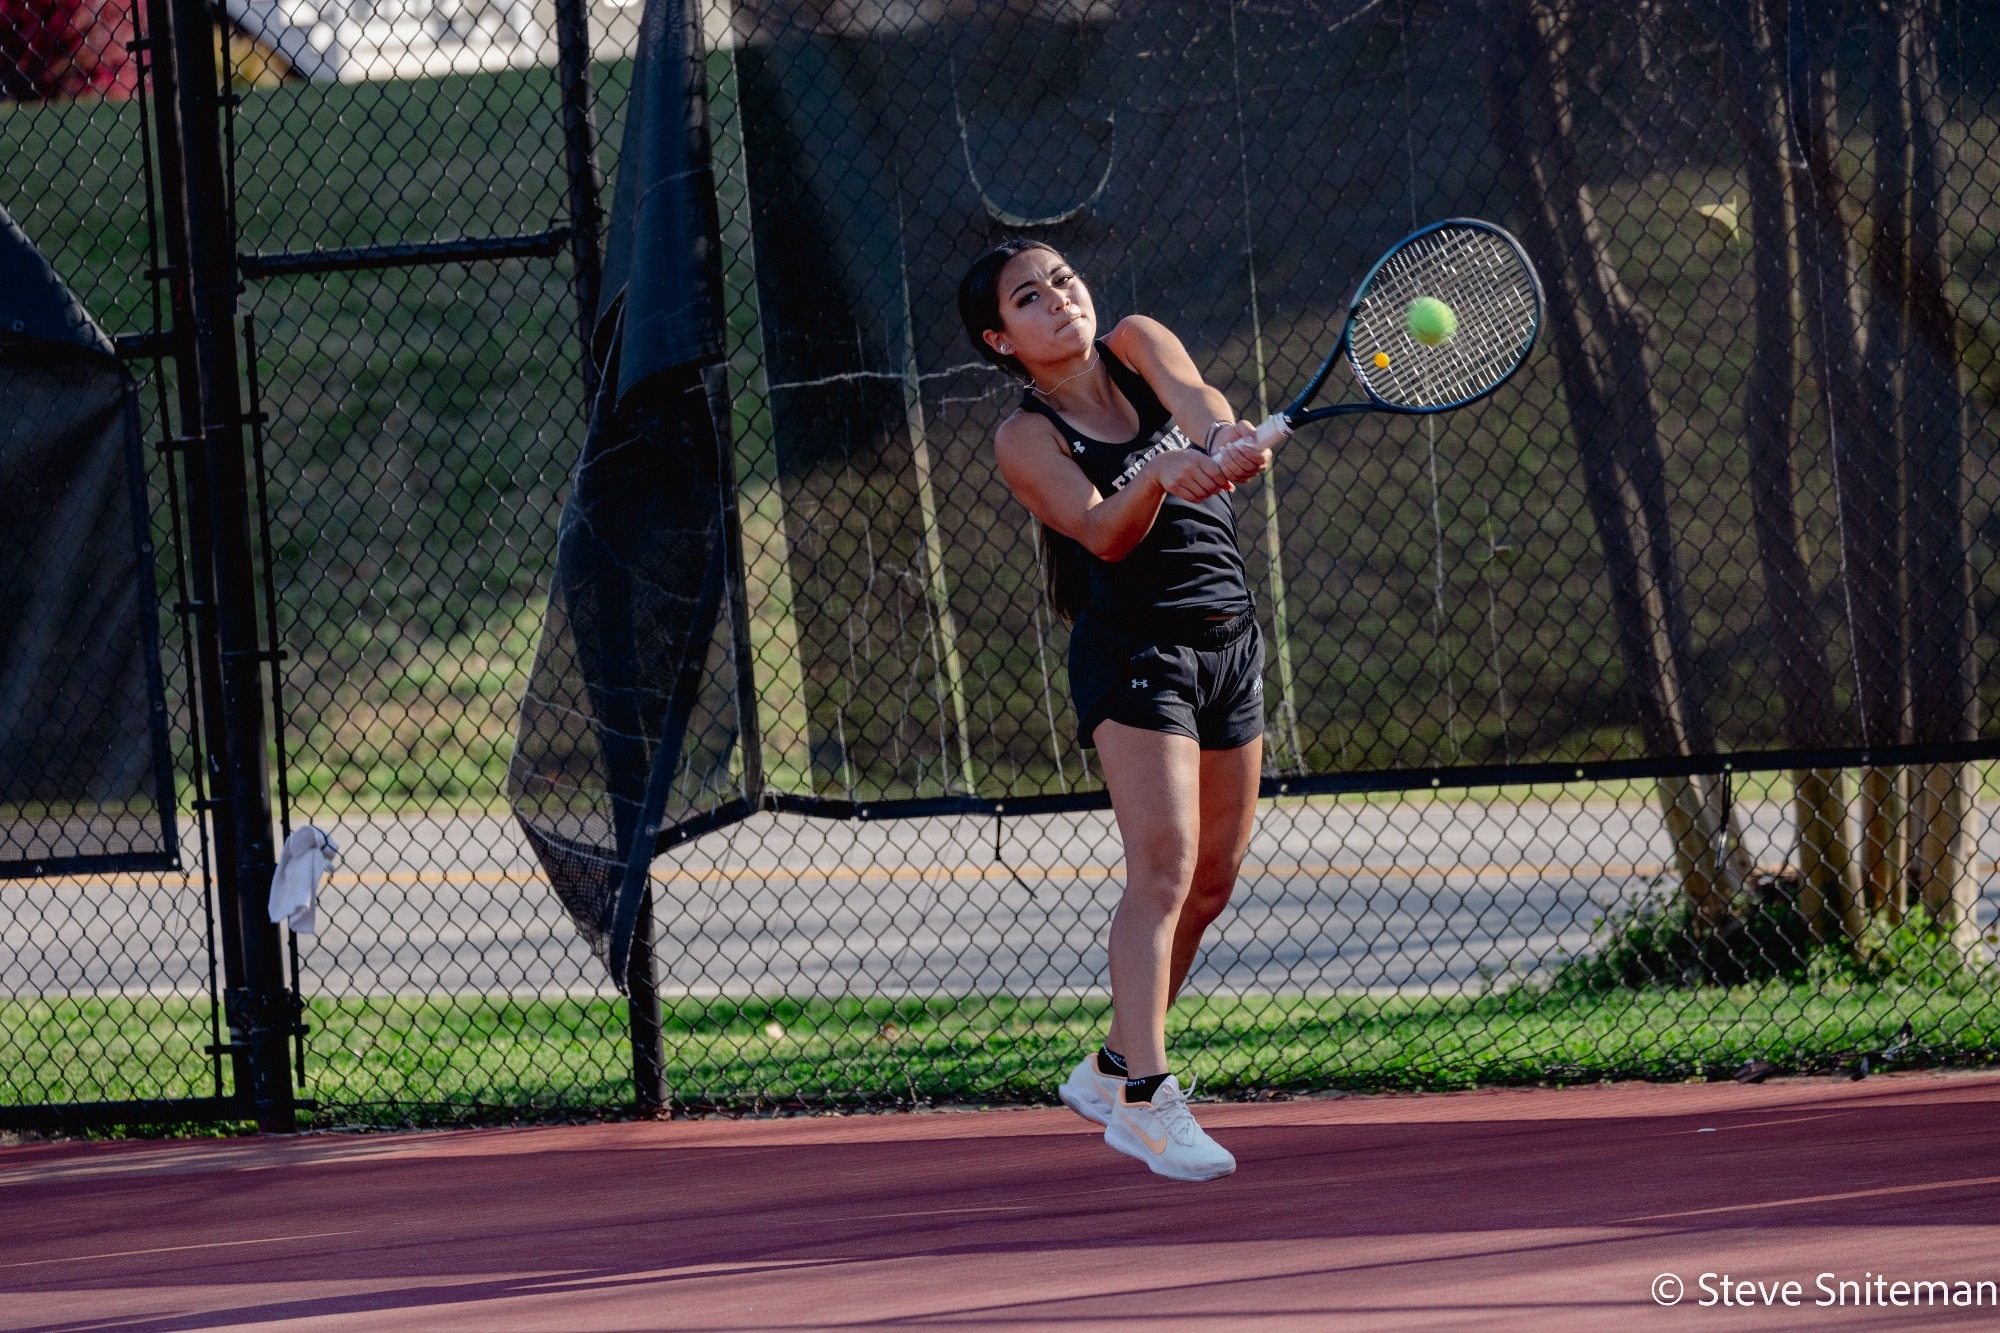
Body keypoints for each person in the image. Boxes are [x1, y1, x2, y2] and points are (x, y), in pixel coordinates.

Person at [957, 238, 1273, 1182]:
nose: (1060, 300)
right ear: (1001, 339)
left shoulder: (1137, 342)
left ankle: (1108, 1066)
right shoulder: (1026, 437)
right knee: (1164, 871)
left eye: (1062, 280)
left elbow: (1200, 403)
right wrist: (1154, 477)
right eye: (1030, 298)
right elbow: (1099, 530)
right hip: (1136, 653)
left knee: (1211, 880)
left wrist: (1220, 442)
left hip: (1230, 639)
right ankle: (1147, 1099)